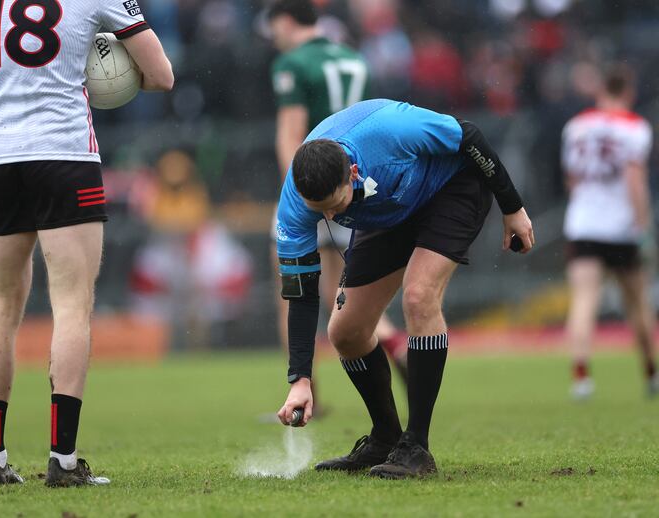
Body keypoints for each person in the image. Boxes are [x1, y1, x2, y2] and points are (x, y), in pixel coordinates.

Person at [275, 99, 534, 478]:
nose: (329, 217)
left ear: (354, 172)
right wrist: (300, 379)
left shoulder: (393, 131)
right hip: (390, 210)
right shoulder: (296, 205)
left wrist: (512, 207)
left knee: (418, 295)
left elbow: (469, 136)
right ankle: (384, 437)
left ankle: (416, 446)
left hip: (450, 187)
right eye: (320, 210)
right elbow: (301, 293)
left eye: (334, 206)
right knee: (345, 331)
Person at [0, 0, 172, 486]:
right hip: (62, 152)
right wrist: (114, 80)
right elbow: (162, 75)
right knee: (72, 305)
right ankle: (62, 460)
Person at [267, 0, 408, 388]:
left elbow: (291, 138)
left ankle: (304, 388)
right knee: (341, 292)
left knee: (292, 285)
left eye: (275, 27)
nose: (274, 36)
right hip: (351, 186)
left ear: (286, 21)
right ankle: (399, 348)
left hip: (312, 184)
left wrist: (303, 197)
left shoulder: (292, 64)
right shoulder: (353, 57)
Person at [561, 66, 658, 400]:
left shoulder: (576, 126)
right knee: (637, 303)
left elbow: (572, 179)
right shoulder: (636, 128)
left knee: (585, 298)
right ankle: (650, 372)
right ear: (628, 92)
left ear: (600, 91)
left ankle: (581, 376)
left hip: (583, 223)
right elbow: (635, 181)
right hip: (621, 227)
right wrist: (643, 226)